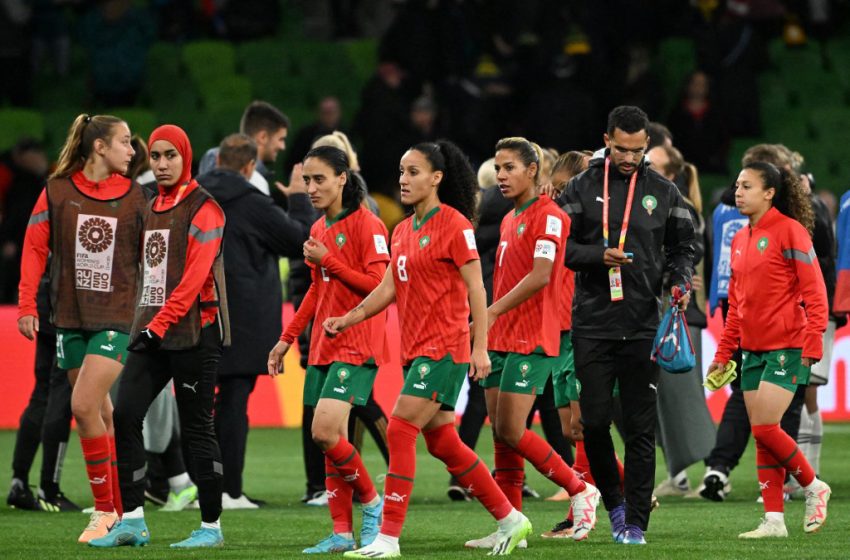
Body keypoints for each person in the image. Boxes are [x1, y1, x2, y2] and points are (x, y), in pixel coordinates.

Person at [324, 140, 532, 558]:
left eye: (413, 172)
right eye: (401, 171)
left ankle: (388, 538)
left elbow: (477, 288)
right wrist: (349, 318)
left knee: (401, 428)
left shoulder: (455, 225)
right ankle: (511, 519)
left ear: (436, 178)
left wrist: (480, 347)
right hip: (415, 350)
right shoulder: (402, 230)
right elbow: (388, 288)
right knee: (442, 442)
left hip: (446, 348)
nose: (403, 179)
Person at [560, 106, 695, 544]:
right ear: (607, 140)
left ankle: (635, 522)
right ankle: (614, 502)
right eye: (622, 148)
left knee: (641, 429)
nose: (630, 157)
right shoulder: (580, 188)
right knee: (594, 423)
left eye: (638, 150)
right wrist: (597, 256)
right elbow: (559, 246)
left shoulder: (664, 190)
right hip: (593, 324)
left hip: (642, 325)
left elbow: (683, 248)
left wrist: (679, 282)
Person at [90, 124, 229, 549]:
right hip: (152, 333)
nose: (162, 163)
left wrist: (157, 326)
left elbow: (192, 281)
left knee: (196, 429)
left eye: (171, 155)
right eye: (155, 156)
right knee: (126, 415)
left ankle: (210, 528)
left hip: (192, 336)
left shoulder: (206, 209)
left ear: (186, 157)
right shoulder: (151, 206)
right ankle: (132, 519)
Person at [467, 138, 598, 550]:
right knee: (501, 435)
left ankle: (580, 489)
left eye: (510, 168)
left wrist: (490, 311)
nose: (502, 176)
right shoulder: (510, 219)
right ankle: (510, 522)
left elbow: (542, 275)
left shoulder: (550, 217)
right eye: (498, 169)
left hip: (531, 334)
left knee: (511, 427)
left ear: (532, 170)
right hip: (503, 334)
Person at [17, 114, 144, 540]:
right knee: (101, 412)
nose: (132, 150)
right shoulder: (56, 191)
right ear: (100, 148)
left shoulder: (136, 196)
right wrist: (26, 305)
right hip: (69, 318)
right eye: (125, 142)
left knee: (83, 406)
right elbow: (35, 248)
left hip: (117, 316)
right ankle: (124, 512)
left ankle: (105, 510)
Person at [268, 145, 389, 553]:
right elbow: (317, 294)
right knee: (330, 440)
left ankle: (373, 505)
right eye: (307, 180)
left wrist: (330, 260)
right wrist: (286, 339)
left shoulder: (368, 225)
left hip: (357, 343)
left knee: (323, 431)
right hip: (323, 344)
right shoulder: (318, 228)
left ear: (343, 178)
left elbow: (378, 287)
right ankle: (341, 532)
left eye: (319, 179)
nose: (311, 187)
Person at [709, 161, 831, 538]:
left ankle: (813, 486)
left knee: (763, 427)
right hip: (752, 349)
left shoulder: (790, 232)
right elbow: (737, 305)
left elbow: (816, 294)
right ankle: (774, 520)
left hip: (786, 346)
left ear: (770, 193)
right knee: (766, 431)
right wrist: (723, 353)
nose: (738, 192)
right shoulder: (740, 239)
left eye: (747, 186)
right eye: (737, 185)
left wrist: (811, 343)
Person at [200, 133, 312, 509]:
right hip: (242, 319)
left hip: (194, 313)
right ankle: (229, 490)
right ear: (249, 167)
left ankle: (200, 487)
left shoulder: (194, 195)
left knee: (198, 405)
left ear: (217, 162)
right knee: (234, 401)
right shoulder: (252, 203)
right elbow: (299, 240)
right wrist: (298, 198)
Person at [646, 144, 715, 497]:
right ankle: (680, 476)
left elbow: (691, 251)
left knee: (686, 397)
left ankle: (713, 471)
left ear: (671, 175)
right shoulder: (659, 201)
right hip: (667, 312)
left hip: (680, 314)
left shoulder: (678, 206)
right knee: (665, 401)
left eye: (653, 165)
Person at [198, 100, 290, 196]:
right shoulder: (215, 156)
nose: (283, 147)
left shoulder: (260, 177)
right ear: (263, 137)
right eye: (281, 139)